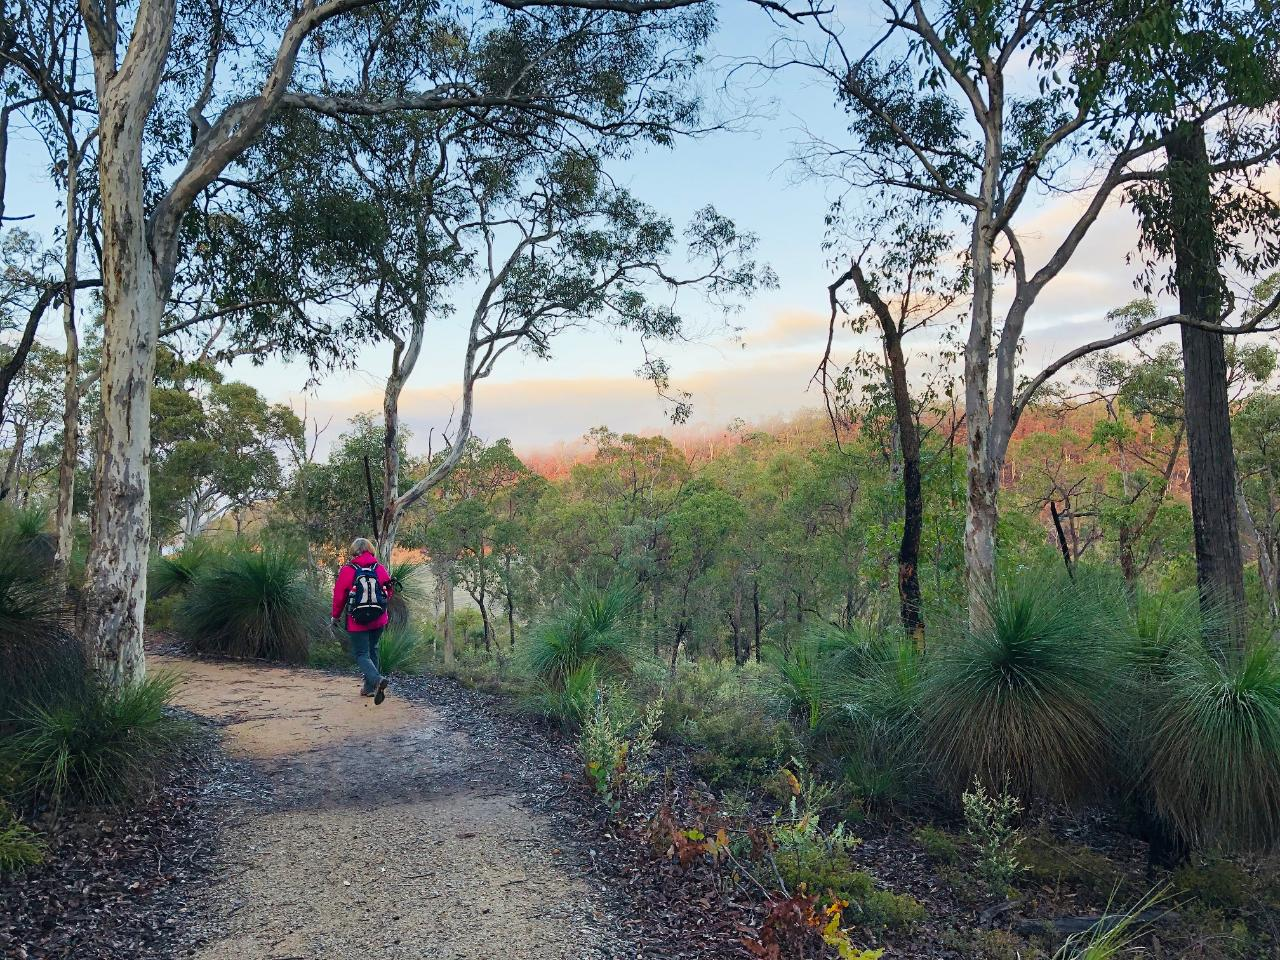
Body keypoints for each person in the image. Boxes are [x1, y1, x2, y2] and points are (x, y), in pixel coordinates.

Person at [331, 538, 394, 704]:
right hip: (378, 618)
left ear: (354, 552)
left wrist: (335, 616)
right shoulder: (379, 569)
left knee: (361, 654)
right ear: (371, 550)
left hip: (356, 620)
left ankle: (376, 680)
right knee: (373, 649)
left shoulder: (348, 570)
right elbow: (389, 592)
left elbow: (339, 596)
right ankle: (368, 688)